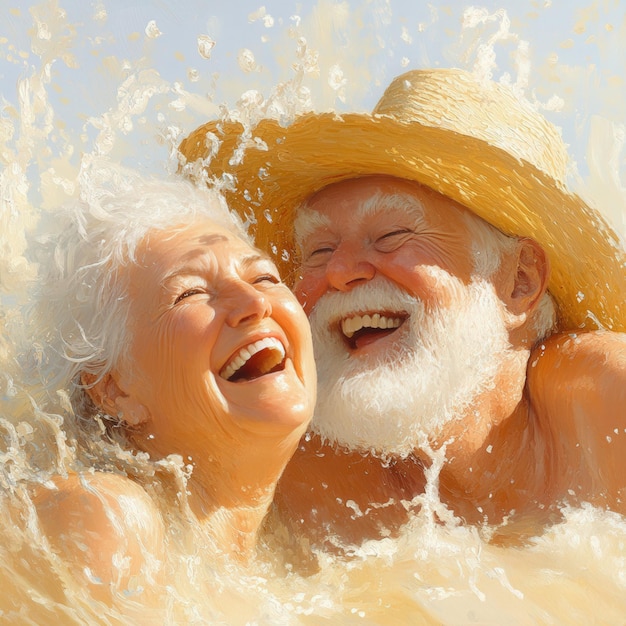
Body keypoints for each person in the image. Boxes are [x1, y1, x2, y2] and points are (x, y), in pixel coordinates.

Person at [179, 68, 626, 548]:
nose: (340, 272)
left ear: (520, 281)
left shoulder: (605, 403)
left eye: (392, 236)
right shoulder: (301, 464)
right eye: (319, 250)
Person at [27, 164, 317, 601]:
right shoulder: (104, 522)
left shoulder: (306, 538)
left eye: (264, 277)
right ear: (114, 389)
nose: (255, 302)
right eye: (189, 294)